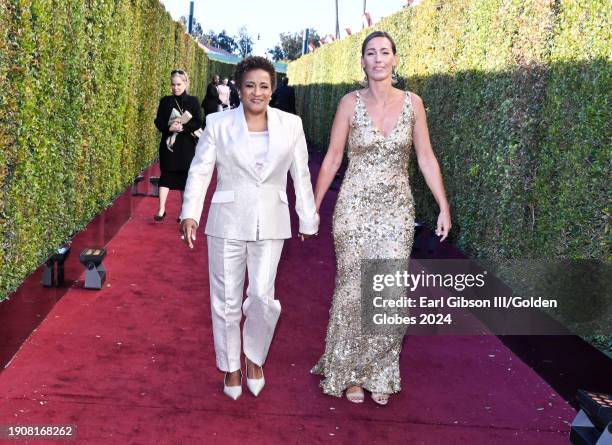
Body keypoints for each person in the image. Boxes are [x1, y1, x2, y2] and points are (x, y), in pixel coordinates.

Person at [311, 31, 452, 405]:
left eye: (384, 52)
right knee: (353, 288)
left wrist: (443, 204)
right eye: (370, 53)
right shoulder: (348, 103)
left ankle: (379, 371)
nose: (377, 59)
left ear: (395, 59)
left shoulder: (413, 103)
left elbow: (425, 157)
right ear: (362, 62)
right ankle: (350, 371)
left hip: (396, 211)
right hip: (354, 207)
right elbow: (333, 157)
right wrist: (313, 204)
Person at [180, 56, 319, 400]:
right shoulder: (218, 123)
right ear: (239, 88)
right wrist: (189, 212)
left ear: (273, 89)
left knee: (261, 297)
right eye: (250, 85)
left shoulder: (291, 125)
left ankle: (255, 356)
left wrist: (307, 217)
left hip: (272, 221)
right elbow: (200, 170)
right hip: (226, 220)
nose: (257, 92)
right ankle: (231, 366)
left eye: (264, 85)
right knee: (225, 300)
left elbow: (300, 174)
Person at [153, 69, 203, 221]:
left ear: (185, 83)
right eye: (173, 84)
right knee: (165, 176)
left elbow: (198, 122)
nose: (175, 87)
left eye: (179, 84)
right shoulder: (165, 101)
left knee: (185, 179)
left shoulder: (193, 101)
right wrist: (169, 128)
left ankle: (183, 213)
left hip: (186, 146)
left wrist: (183, 128)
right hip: (169, 146)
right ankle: (161, 209)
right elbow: (158, 121)